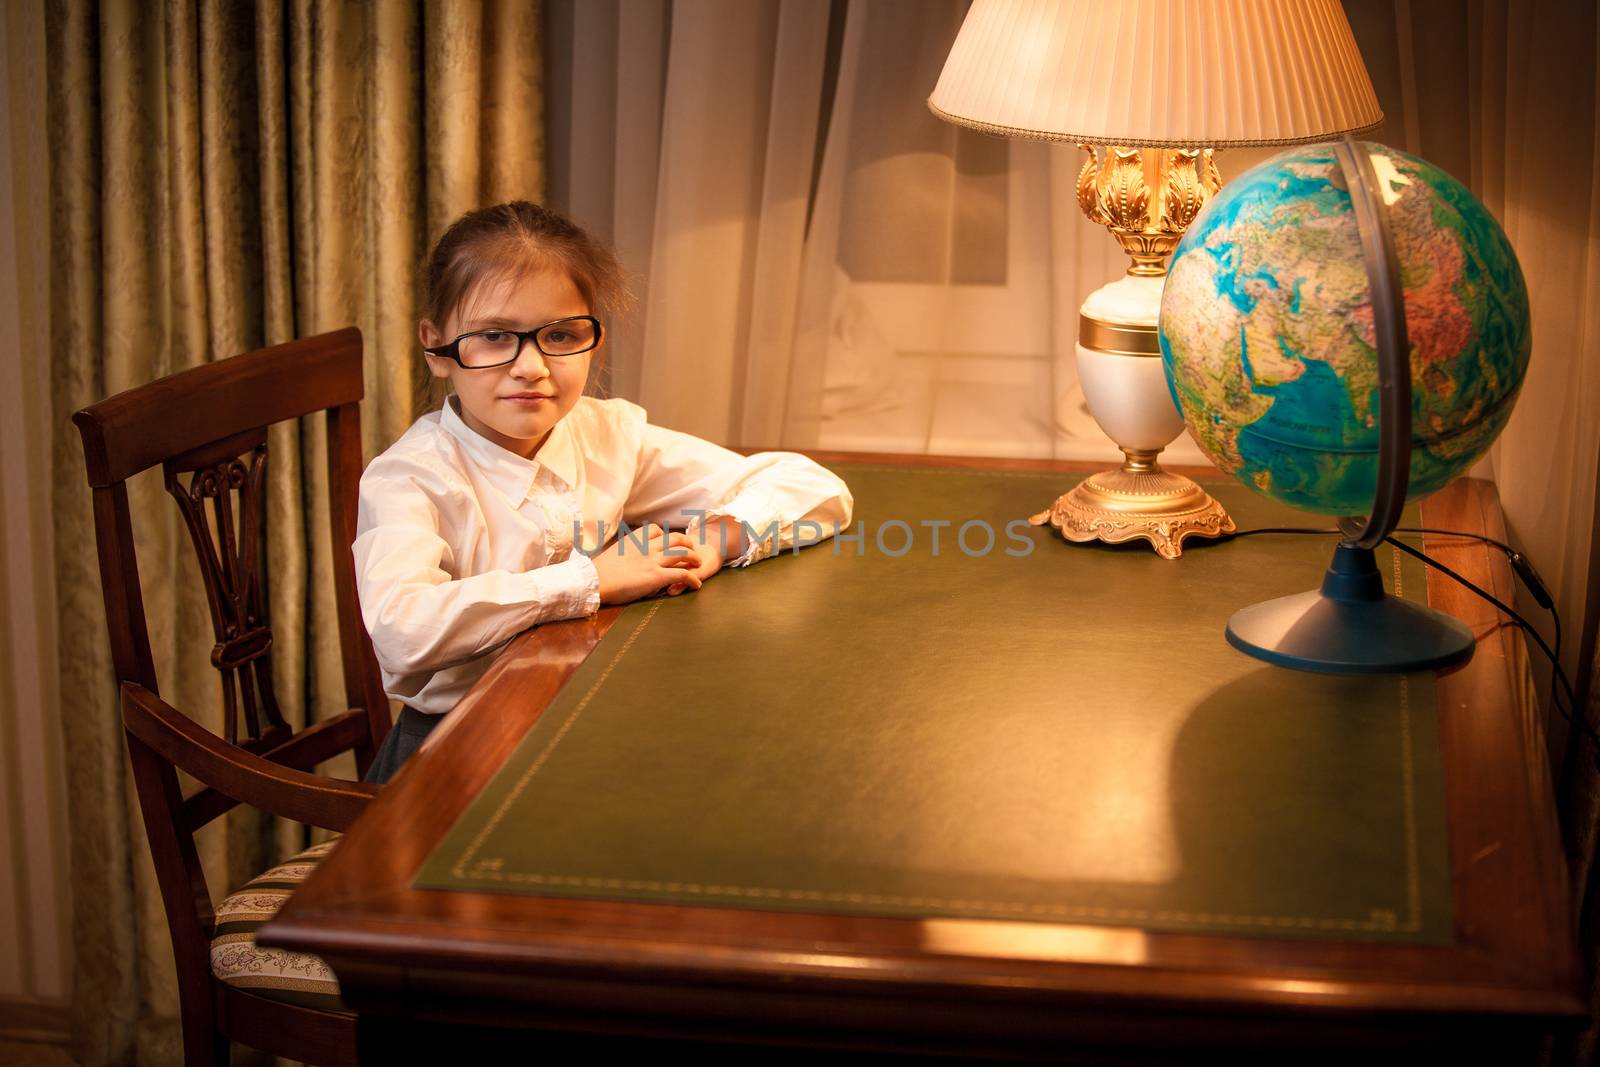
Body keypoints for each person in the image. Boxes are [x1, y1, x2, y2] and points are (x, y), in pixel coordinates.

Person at [354, 201, 853, 784]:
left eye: (560, 334)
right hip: (452, 753)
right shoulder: (410, 477)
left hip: (585, 729)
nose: (531, 367)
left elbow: (814, 487)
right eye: (493, 336)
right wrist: (590, 581)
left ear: (595, 342)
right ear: (436, 345)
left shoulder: (604, 434)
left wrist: (716, 539)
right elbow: (401, 631)